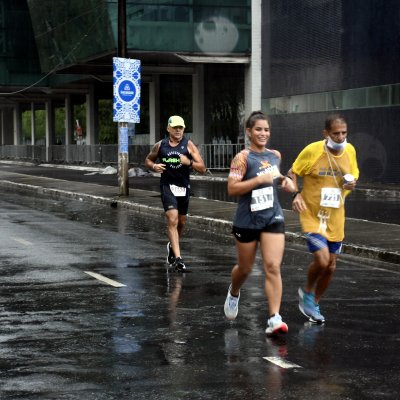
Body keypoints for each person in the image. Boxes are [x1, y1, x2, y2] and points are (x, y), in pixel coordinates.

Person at [223, 111, 296, 335]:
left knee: (273, 266)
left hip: (272, 216)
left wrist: (287, 182)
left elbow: (279, 177)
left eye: (266, 129)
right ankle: (234, 291)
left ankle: (274, 317)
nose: (263, 133)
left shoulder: (275, 155)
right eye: (258, 129)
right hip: (247, 219)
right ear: (249, 132)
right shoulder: (242, 158)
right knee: (245, 268)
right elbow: (232, 189)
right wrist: (257, 180)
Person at [287, 114, 359, 324]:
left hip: (336, 216)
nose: (340, 137)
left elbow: (353, 176)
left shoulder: (350, 150)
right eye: (335, 133)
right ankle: (307, 292)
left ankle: (314, 303)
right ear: (326, 133)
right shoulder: (312, 150)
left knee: (331, 267)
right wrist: (296, 194)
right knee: (322, 259)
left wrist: (351, 184)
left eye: (344, 133)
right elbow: (292, 173)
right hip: (312, 215)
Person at [145, 115, 206, 272]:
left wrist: (189, 162)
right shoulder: (160, 145)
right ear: (168, 129)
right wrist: (154, 167)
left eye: (181, 127)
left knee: (182, 222)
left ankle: (172, 246)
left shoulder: (189, 145)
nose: (178, 130)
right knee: (172, 219)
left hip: (184, 187)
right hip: (167, 187)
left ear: (184, 129)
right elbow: (148, 160)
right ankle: (178, 259)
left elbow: (203, 169)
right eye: (175, 127)